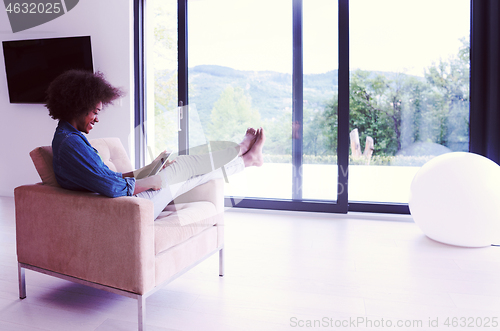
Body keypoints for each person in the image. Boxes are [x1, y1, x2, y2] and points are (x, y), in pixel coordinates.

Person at [46, 70, 265, 219]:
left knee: (186, 169)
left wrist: (149, 168)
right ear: (78, 106)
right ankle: (239, 151)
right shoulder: (70, 144)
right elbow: (110, 187)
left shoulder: (70, 137)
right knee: (183, 166)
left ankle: (245, 159)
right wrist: (148, 182)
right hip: (126, 207)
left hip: (124, 198)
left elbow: (105, 177)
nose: (97, 118)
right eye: (95, 111)